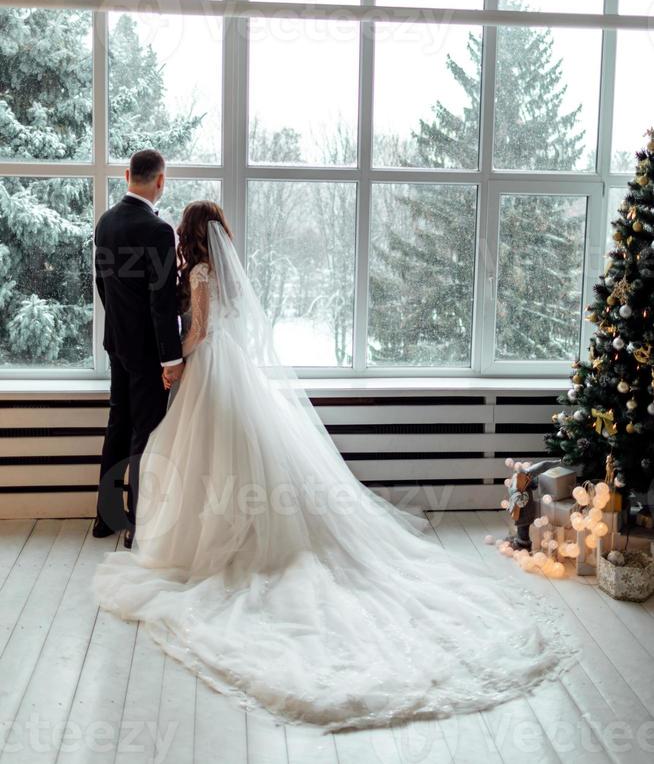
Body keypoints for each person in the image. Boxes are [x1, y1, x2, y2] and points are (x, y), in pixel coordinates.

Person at [93, 200, 576, 730]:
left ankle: (219, 536)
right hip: (226, 371)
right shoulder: (217, 267)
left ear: (189, 235)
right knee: (220, 455)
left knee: (205, 455)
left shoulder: (202, 270)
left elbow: (201, 329)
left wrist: (177, 361)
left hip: (208, 368)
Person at [93, 149, 184, 549]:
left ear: (128, 174)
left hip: (117, 343)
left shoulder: (106, 222)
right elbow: (161, 301)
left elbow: (103, 285)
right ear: (160, 181)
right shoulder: (158, 231)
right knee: (144, 435)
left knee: (118, 426)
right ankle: (137, 525)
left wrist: (118, 327)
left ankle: (106, 518)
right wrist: (172, 358)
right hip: (148, 352)